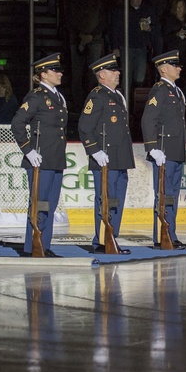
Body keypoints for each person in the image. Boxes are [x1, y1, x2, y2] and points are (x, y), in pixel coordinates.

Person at [11, 54, 70, 257]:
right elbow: (17, 124)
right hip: (40, 160)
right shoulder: (36, 96)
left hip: (55, 159)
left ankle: (45, 245)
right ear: (43, 74)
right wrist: (28, 150)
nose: (60, 73)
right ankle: (33, 246)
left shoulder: (58, 96)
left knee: (50, 205)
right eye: (55, 70)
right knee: (39, 203)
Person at [78, 55, 134, 254]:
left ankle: (112, 238)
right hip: (105, 158)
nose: (118, 73)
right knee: (106, 199)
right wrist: (95, 151)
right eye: (113, 70)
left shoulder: (117, 95)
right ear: (102, 74)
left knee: (117, 200)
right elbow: (85, 128)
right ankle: (102, 242)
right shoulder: (97, 96)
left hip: (120, 157)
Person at [141, 51, 186, 249]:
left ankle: (170, 234)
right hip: (164, 151)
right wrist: (152, 148)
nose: (179, 68)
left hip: (176, 150)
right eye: (174, 65)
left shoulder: (176, 91)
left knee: (172, 195)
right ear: (164, 69)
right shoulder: (160, 90)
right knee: (164, 194)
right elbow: (148, 119)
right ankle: (162, 236)